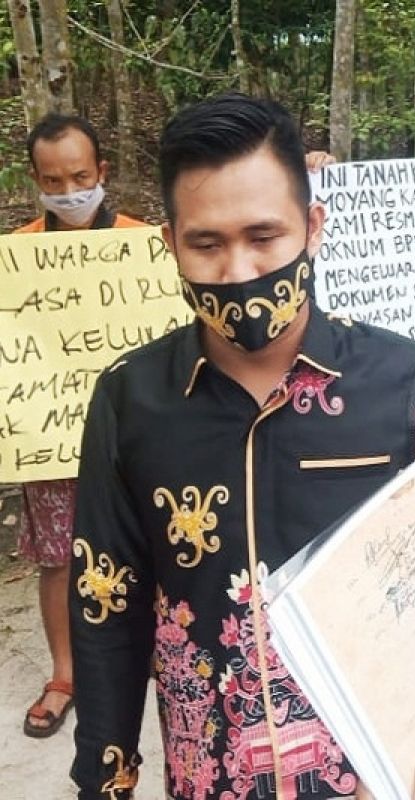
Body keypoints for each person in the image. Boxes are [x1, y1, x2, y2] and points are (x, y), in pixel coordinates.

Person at [68, 93, 415, 799]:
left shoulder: (404, 385)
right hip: (208, 781)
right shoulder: (130, 401)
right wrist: (105, 781)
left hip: (380, 779)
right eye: (207, 244)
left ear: (312, 228)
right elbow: (107, 611)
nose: (239, 270)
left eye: (264, 235)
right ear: (171, 244)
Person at [15, 113, 147, 740]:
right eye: (52, 180)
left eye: (78, 176)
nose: (67, 190)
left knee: (152, 542)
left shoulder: (140, 243)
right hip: (49, 435)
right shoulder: (16, 255)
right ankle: (64, 676)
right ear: (34, 180)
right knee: (57, 557)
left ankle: (151, 649)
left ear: (102, 173)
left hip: (132, 432)